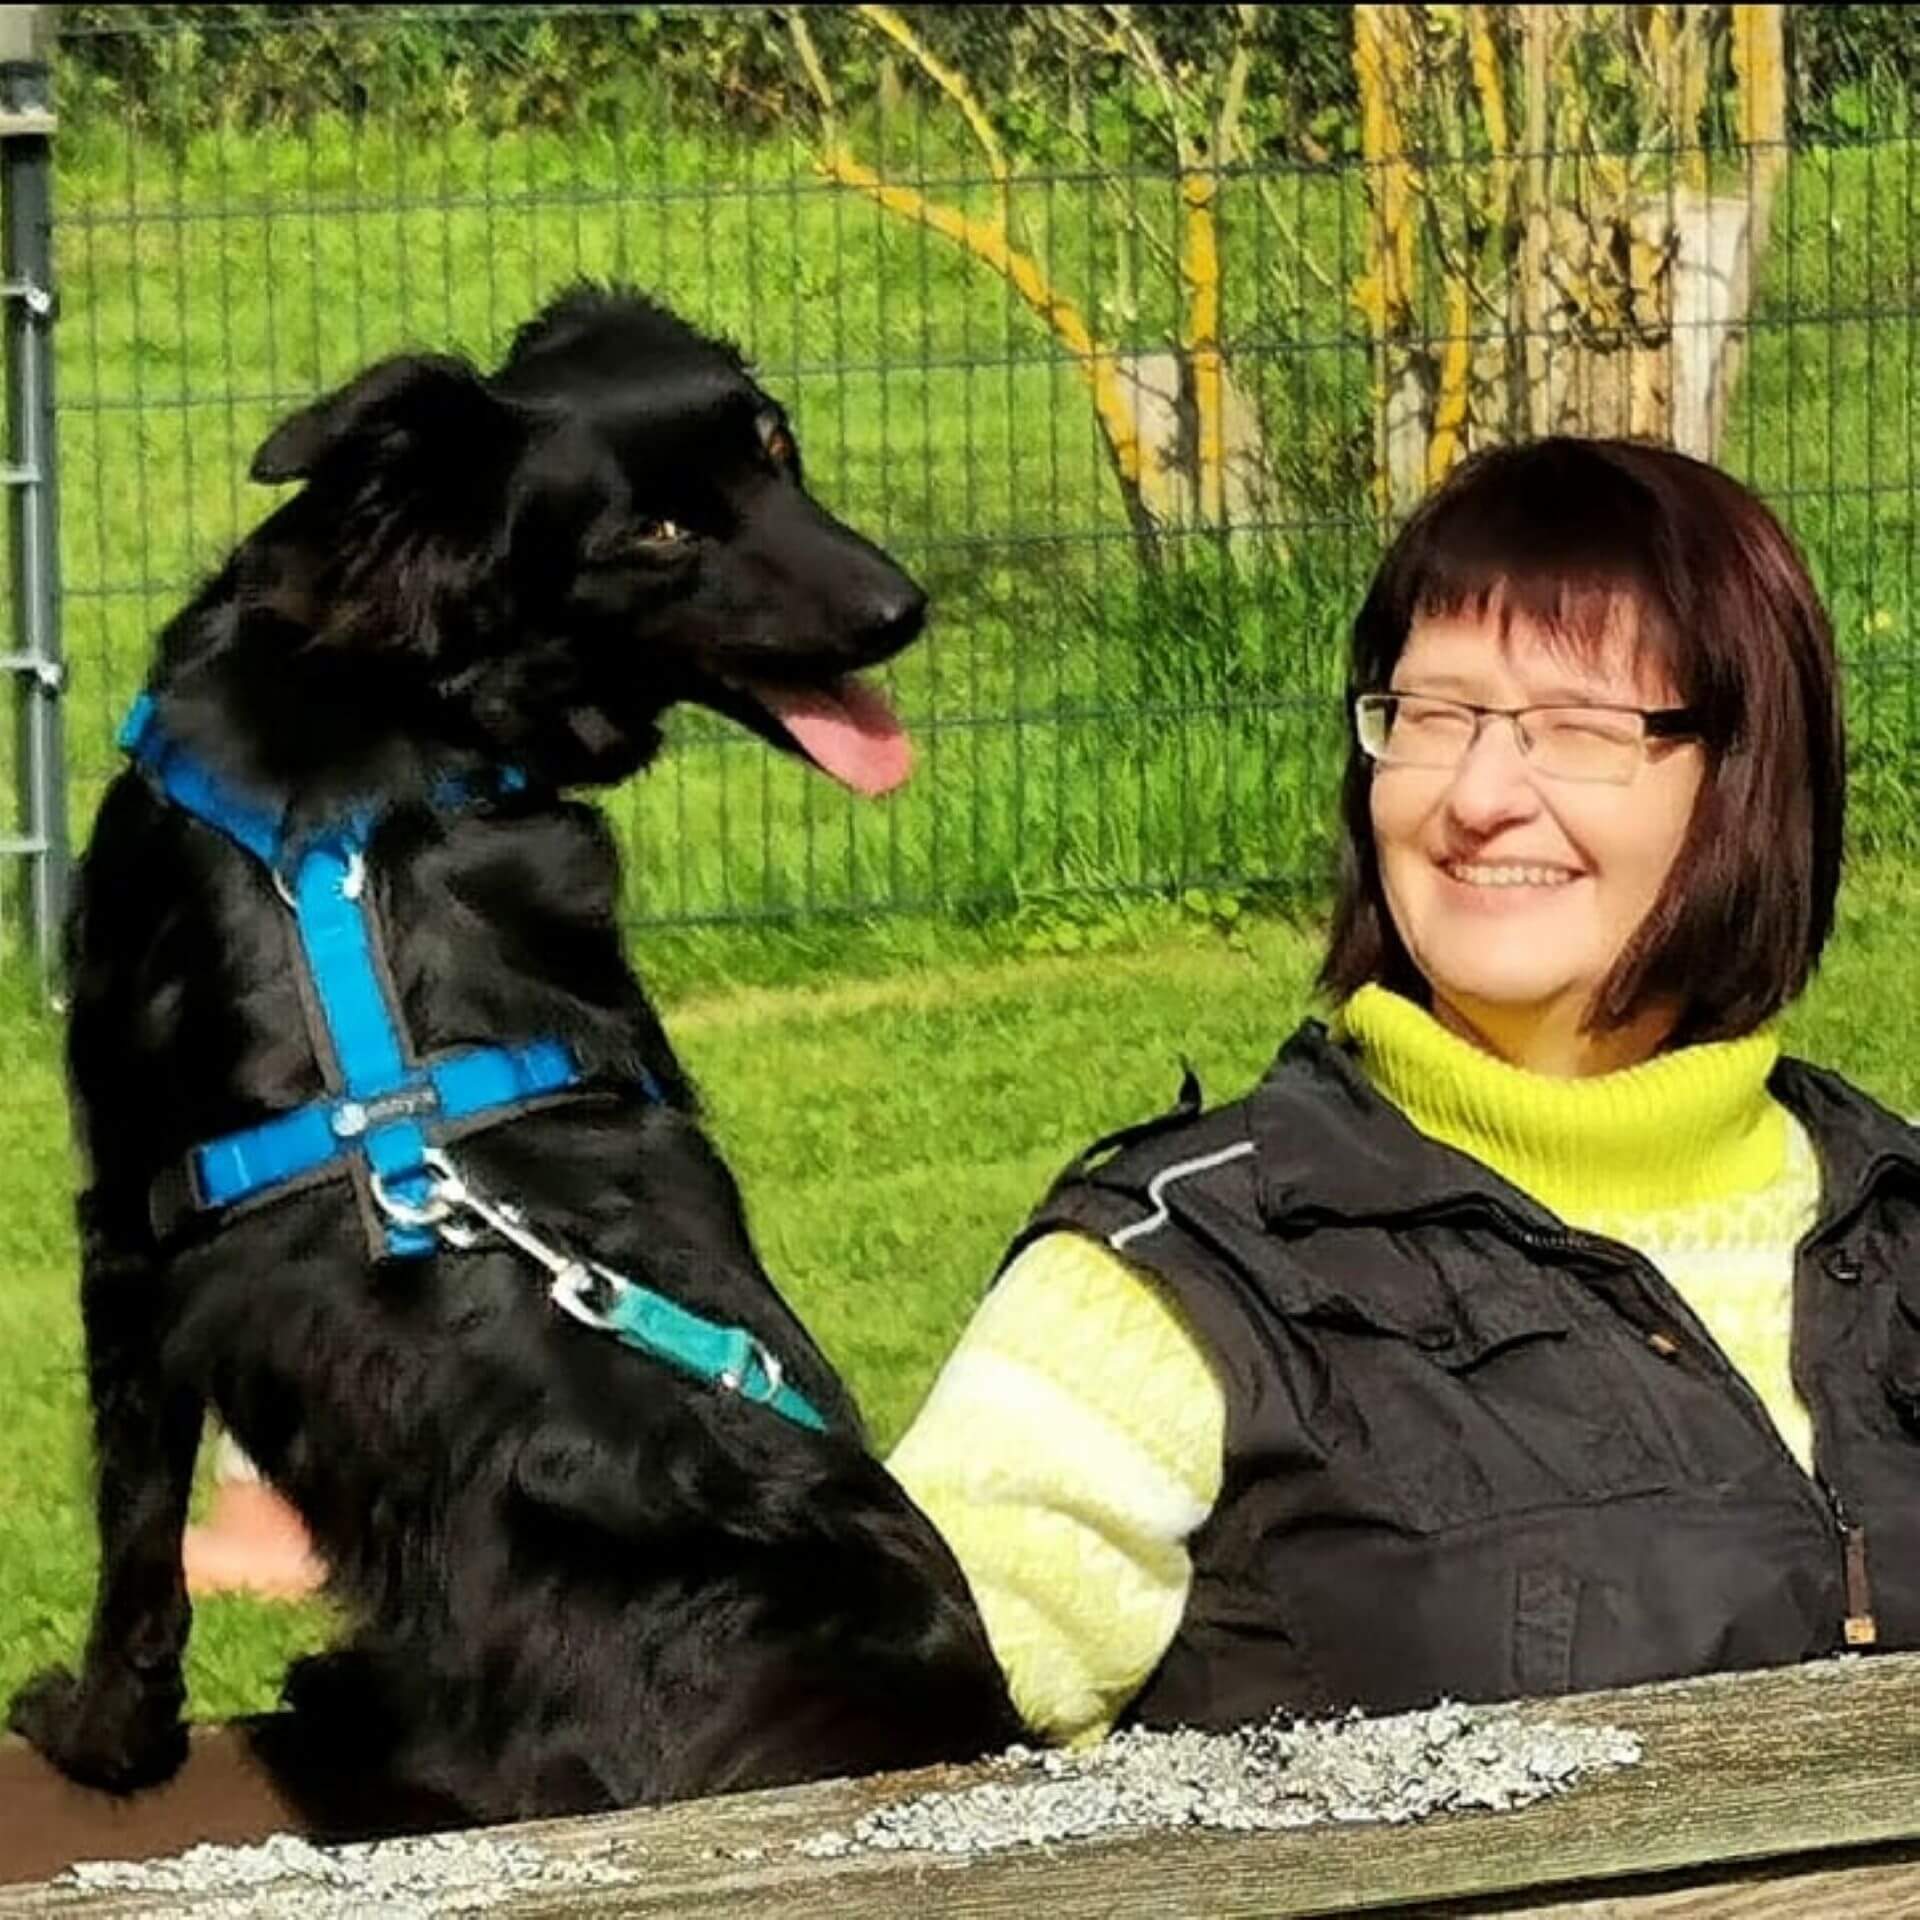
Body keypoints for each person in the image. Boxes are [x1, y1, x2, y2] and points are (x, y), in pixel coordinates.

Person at [888, 435, 1920, 1748]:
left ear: (1744, 775)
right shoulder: (1178, 1284)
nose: (1481, 796)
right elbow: (839, 1767)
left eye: (1574, 729)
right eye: (1431, 716)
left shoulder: (1893, 1212)